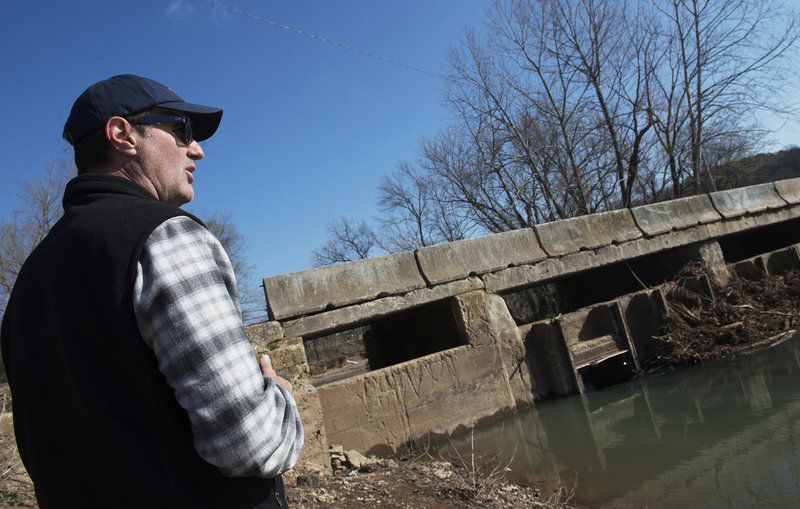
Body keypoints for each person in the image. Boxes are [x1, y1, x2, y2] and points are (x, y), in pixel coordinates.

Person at [0, 74, 303, 508]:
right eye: (181, 130)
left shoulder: (28, 282)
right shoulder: (165, 238)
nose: (196, 149)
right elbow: (253, 445)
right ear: (122, 134)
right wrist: (279, 397)